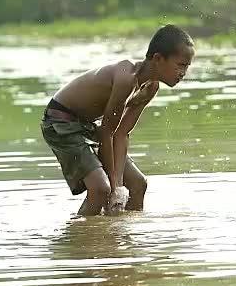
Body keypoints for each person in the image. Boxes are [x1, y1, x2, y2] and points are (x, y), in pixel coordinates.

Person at [41, 24, 194, 216]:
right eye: (180, 65)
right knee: (101, 190)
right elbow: (107, 133)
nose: (183, 73)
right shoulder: (126, 79)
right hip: (61, 121)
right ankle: (80, 237)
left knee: (138, 185)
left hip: (88, 126)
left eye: (187, 67)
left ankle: (120, 236)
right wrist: (115, 187)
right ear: (157, 58)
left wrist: (119, 184)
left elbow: (121, 134)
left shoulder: (150, 88)